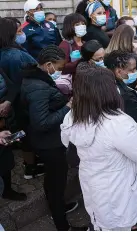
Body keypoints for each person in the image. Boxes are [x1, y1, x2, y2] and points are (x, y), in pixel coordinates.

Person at [60, 66, 137, 231]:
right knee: (121, 223)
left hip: (95, 186)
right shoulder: (117, 123)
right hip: (122, 189)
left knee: (104, 223)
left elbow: (67, 143)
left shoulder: (72, 116)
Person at [20, 45, 85, 231]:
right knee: (56, 182)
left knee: (53, 180)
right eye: (58, 67)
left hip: (48, 140)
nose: (59, 71)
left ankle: (57, 207)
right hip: (49, 143)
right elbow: (42, 122)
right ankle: (62, 224)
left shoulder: (36, 78)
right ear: (48, 65)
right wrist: (68, 107)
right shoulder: (38, 87)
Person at [0, 18, 42, 180]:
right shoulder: (16, 56)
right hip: (22, 102)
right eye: (18, 32)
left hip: (12, 102)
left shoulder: (8, 51)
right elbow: (31, 74)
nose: (22, 34)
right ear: (9, 34)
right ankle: (30, 166)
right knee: (27, 135)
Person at [0, 68, 27, 201]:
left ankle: (7, 190)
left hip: (4, 122)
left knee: (6, 159)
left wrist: (7, 102)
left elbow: (12, 86)